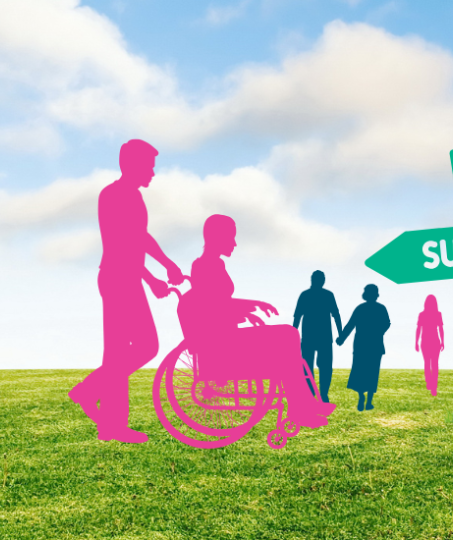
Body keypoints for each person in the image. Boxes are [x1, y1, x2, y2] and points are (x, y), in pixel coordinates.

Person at [69, 139, 185, 444]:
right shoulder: (113, 195)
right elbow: (120, 246)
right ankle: (109, 422)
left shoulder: (132, 196)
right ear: (131, 165)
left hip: (128, 278)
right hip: (118, 278)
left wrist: (167, 264)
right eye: (149, 166)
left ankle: (91, 395)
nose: (153, 173)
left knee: (140, 347)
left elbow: (140, 238)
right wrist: (152, 278)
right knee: (129, 349)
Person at [178, 214, 336, 427]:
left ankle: (304, 403)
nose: (234, 243)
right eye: (230, 237)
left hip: (225, 334)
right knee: (287, 335)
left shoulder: (215, 264)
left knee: (287, 338)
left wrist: (247, 308)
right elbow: (212, 306)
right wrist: (250, 305)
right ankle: (300, 407)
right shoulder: (204, 266)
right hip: (220, 341)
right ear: (217, 237)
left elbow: (220, 303)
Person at [338, 284, 390, 412]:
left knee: (360, 371)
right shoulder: (381, 308)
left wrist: (342, 338)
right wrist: (378, 332)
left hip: (361, 345)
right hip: (375, 345)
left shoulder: (360, 308)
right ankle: (369, 401)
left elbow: (350, 324)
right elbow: (387, 323)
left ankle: (361, 397)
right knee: (373, 372)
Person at [293, 270, 343, 403]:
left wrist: (341, 333)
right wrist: (341, 334)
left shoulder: (312, 295)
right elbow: (297, 316)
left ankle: (322, 394)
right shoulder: (312, 295)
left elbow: (336, 315)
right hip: (315, 337)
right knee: (310, 366)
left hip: (320, 337)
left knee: (322, 366)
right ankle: (314, 394)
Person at [415, 294, 446, 397]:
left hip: (426, 341)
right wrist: (442, 341)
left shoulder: (423, 314)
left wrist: (416, 342)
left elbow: (419, 329)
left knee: (428, 363)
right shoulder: (437, 314)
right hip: (433, 341)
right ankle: (433, 385)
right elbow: (440, 329)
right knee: (434, 364)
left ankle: (430, 383)